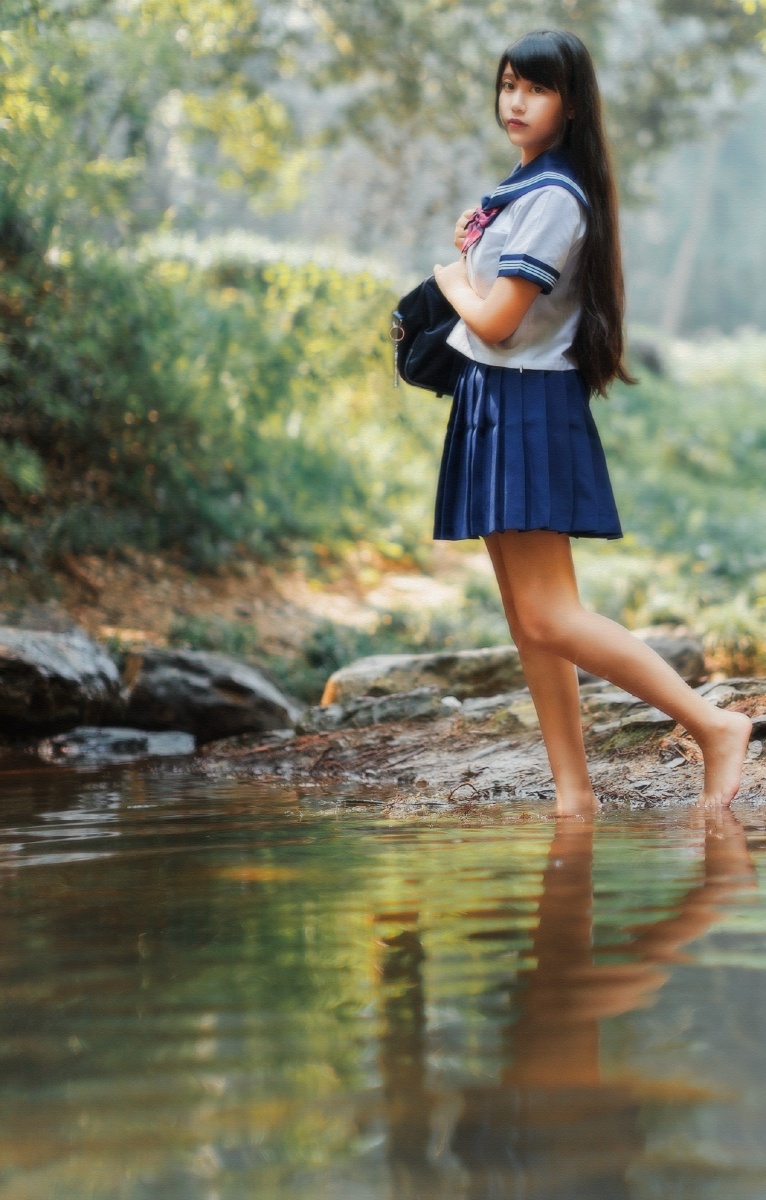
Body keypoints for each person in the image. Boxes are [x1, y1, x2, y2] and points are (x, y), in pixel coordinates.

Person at [433, 29, 751, 814]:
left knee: (550, 614)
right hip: (497, 399)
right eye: (508, 83)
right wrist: (471, 249)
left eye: (535, 88)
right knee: (528, 622)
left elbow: (499, 322)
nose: (515, 101)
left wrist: (449, 282)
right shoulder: (526, 187)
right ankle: (574, 796)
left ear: (570, 104)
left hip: (526, 402)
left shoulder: (552, 199)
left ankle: (713, 725)